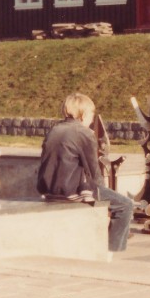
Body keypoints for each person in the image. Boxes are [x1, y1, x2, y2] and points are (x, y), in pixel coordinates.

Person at [37, 92, 133, 258]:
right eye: (92, 114)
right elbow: (93, 170)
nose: (92, 118)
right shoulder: (84, 133)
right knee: (125, 205)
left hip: (47, 189)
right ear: (83, 113)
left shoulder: (54, 129)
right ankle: (111, 250)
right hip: (70, 191)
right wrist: (102, 194)